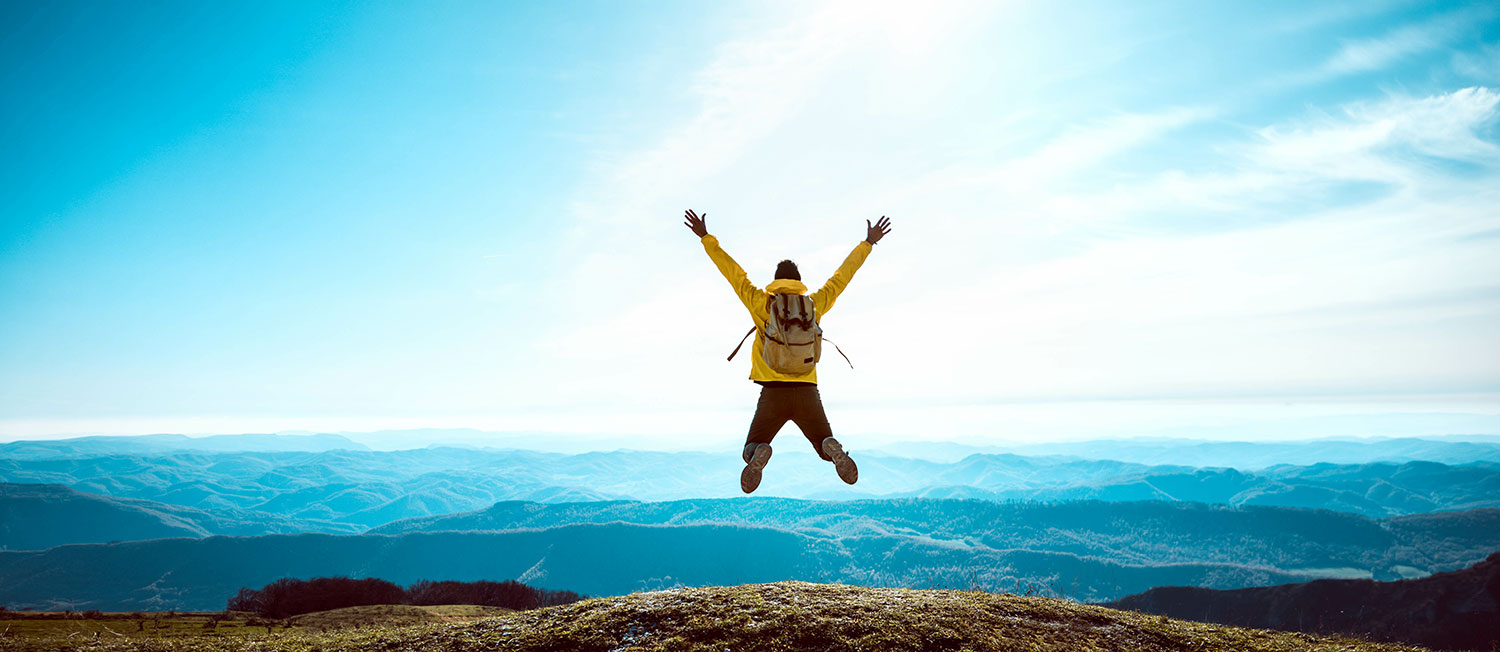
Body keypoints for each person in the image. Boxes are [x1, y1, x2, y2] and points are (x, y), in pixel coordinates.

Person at [683, 209, 892, 493]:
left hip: (773, 392)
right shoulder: (814, 305)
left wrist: (706, 238)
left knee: (750, 447)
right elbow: (841, 278)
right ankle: (832, 448)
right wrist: (868, 243)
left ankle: (759, 453)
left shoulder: (762, 304)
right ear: (798, 282)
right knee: (823, 445)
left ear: (776, 281)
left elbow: (734, 274)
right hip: (807, 390)